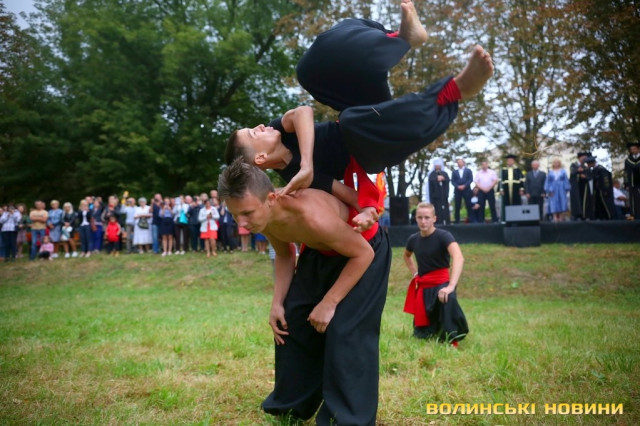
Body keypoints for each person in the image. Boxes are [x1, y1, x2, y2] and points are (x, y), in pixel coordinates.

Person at [225, 1, 493, 228]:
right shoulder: (293, 176)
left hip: (363, 113)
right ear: (260, 158)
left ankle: (400, 38)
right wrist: (368, 211)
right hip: (371, 147)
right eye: (253, 133)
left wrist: (307, 164)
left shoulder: (280, 133)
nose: (260, 126)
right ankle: (454, 91)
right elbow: (346, 193)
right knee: (351, 123)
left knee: (308, 70)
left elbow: (303, 112)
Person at [218, 158, 391, 425]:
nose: (242, 224)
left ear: (271, 199)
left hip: (364, 251)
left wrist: (329, 302)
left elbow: (362, 254)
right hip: (320, 252)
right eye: (235, 215)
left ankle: (347, 419)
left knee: (345, 330)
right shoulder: (265, 219)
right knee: (291, 319)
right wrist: (277, 303)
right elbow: (285, 254)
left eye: (248, 213)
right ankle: (291, 406)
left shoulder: (312, 216)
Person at [402, 202, 468, 345]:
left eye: (427, 217)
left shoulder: (444, 236)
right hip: (424, 286)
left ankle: (451, 338)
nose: (423, 221)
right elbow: (406, 256)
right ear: (415, 218)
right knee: (424, 334)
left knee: (448, 298)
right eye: (419, 217)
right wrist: (415, 273)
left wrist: (451, 286)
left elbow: (458, 257)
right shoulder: (413, 239)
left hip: (442, 282)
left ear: (434, 219)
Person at [427, 158, 451, 224]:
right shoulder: (432, 174)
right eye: (436, 165)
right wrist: (436, 178)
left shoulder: (444, 173)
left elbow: (448, 181)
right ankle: (437, 223)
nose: (438, 167)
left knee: (445, 210)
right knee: (437, 210)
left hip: (444, 196)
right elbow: (431, 183)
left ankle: (447, 222)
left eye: (439, 165)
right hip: (435, 197)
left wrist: (443, 179)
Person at [500, 154, 524, 218]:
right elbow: (501, 180)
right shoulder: (503, 170)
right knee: (506, 203)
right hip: (506, 190)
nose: (510, 162)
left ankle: (517, 218)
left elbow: (521, 179)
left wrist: (521, 189)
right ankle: (506, 219)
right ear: (507, 162)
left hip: (516, 189)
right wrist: (501, 189)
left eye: (511, 160)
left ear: (513, 161)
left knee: (516, 203)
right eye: (508, 160)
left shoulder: (518, 170)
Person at [451, 158, 473, 223]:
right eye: (458, 162)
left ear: (463, 163)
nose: (459, 163)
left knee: (468, 205)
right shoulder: (454, 172)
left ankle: (470, 220)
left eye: (460, 162)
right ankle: (457, 221)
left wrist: (464, 185)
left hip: (467, 190)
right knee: (457, 206)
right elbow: (452, 181)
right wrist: (457, 186)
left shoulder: (468, 171)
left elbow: (470, 179)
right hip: (457, 191)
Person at [569, 151, 590, 220]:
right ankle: (575, 215)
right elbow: (573, 172)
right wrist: (578, 170)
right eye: (583, 158)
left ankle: (583, 215)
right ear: (579, 158)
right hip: (575, 186)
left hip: (583, 187)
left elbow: (588, 176)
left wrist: (585, 176)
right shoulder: (573, 165)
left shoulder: (585, 167)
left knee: (582, 200)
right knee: (575, 200)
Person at [624, 142, 640, 219]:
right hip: (632, 184)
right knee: (633, 200)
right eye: (631, 149)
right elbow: (626, 173)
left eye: (634, 149)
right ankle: (634, 215)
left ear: (638, 149)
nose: (633, 150)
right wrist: (626, 184)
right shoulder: (628, 160)